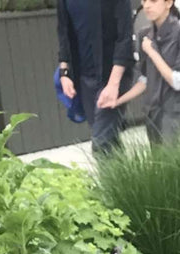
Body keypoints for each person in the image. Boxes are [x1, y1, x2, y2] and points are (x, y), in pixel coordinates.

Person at [57, 0, 133, 153]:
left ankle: (111, 176)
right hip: (84, 78)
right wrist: (64, 72)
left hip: (113, 76)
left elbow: (125, 38)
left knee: (101, 142)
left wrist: (113, 85)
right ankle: (124, 176)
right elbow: (63, 32)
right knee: (109, 140)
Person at [114, 0, 180, 142]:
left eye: (153, 1)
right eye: (144, 1)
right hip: (154, 112)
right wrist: (118, 101)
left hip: (179, 112)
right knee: (157, 162)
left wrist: (152, 52)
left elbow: (178, 81)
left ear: (168, 3)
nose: (147, 5)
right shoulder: (144, 35)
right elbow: (145, 79)